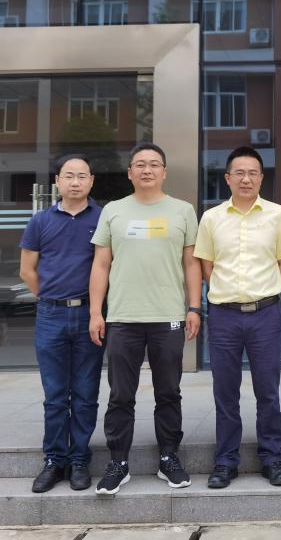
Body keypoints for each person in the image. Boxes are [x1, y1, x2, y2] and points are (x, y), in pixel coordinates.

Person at [88, 142, 202, 495]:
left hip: (168, 316)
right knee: (121, 394)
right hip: (123, 317)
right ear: (130, 172)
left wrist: (194, 307)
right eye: (140, 164)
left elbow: (191, 263)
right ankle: (118, 463)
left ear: (164, 172)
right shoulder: (113, 211)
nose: (147, 169)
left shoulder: (183, 210)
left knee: (168, 392)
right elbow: (101, 264)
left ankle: (169, 457)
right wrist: (96, 312)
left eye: (154, 164)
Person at [194, 146, 281, 489]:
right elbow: (207, 264)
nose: (246, 179)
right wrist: (226, 292)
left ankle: (273, 458)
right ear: (227, 178)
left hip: (265, 314)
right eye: (239, 173)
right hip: (224, 316)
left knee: (267, 391)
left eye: (253, 173)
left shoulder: (278, 215)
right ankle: (226, 461)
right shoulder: (211, 218)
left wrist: (268, 290)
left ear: (261, 178)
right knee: (225, 393)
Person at [19, 154, 103, 493]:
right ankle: (54, 460)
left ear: (91, 180)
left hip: (89, 314)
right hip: (51, 315)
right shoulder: (40, 221)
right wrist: (51, 297)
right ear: (57, 181)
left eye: (82, 176)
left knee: (85, 393)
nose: (75, 182)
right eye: (69, 176)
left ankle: (79, 459)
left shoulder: (103, 218)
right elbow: (27, 270)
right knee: (55, 394)